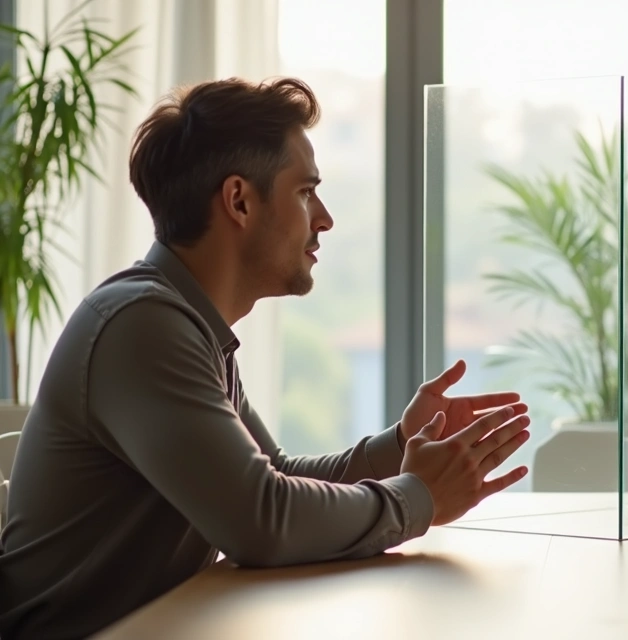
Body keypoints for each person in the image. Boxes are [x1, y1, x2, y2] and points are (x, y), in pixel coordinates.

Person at [0, 77, 532, 639]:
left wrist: (400, 445)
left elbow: (272, 476)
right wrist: (417, 498)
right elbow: (262, 519)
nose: (323, 218)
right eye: (305, 192)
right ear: (239, 201)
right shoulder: (141, 326)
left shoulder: (186, 323)